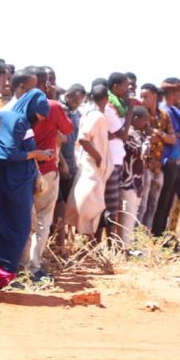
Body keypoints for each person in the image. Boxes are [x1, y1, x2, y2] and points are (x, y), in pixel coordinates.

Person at [0, 88, 51, 290]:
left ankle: (1, 275)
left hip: (17, 185)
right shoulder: (14, 119)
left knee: (14, 229)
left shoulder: (18, 119)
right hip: (11, 186)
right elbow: (7, 154)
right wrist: (36, 154)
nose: (39, 120)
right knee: (13, 229)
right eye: (38, 115)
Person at [23, 67, 73, 279]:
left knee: (26, 220)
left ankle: (21, 264)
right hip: (46, 171)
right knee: (43, 220)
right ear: (45, 84)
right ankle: (33, 267)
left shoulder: (21, 104)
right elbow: (68, 129)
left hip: (24, 170)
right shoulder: (52, 105)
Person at [152, 78, 180, 251]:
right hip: (167, 162)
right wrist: (173, 135)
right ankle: (159, 240)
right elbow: (175, 136)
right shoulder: (164, 111)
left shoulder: (175, 111)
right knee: (165, 202)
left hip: (176, 163)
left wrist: (174, 135)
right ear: (172, 93)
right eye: (178, 92)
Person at [65, 85, 114, 236]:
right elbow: (84, 139)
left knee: (91, 206)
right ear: (105, 100)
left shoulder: (88, 114)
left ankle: (87, 245)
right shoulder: (97, 116)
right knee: (89, 207)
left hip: (92, 168)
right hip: (92, 168)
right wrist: (98, 157)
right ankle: (87, 244)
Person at [137, 83, 175, 230]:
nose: (142, 99)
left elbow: (172, 139)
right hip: (144, 166)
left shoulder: (164, 115)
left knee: (153, 206)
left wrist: (159, 134)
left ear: (155, 96)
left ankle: (145, 240)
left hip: (158, 167)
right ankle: (135, 242)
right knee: (142, 206)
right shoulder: (140, 114)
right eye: (141, 96)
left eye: (145, 96)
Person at [54, 84, 86, 254]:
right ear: (67, 95)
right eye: (74, 100)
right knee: (58, 208)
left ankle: (61, 245)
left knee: (64, 207)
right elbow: (56, 139)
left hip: (71, 164)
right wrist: (63, 162)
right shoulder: (60, 111)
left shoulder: (76, 114)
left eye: (79, 101)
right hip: (60, 164)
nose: (76, 104)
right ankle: (58, 247)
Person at [103, 72, 133, 240]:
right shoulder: (109, 108)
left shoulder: (118, 106)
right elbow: (123, 134)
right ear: (115, 87)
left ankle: (113, 242)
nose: (127, 89)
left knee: (115, 204)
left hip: (117, 159)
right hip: (111, 160)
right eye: (125, 85)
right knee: (111, 205)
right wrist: (130, 110)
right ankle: (111, 243)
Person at [120, 106, 150, 246]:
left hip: (136, 180)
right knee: (128, 213)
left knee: (131, 213)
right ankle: (124, 246)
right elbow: (139, 152)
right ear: (136, 119)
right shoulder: (129, 134)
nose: (147, 124)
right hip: (128, 179)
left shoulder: (140, 134)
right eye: (145, 120)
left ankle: (126, 244)